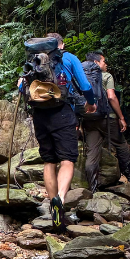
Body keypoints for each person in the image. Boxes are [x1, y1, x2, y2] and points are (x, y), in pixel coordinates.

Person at [26, 33, 96, 230]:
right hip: (62, 113)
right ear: (61, 44)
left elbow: (23, 86)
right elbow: (85, 85)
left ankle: (53, 208)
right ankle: (60, 199)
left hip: (39, 115)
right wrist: (91, 104)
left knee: (49, 160)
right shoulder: (68, 58)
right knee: (67, 160)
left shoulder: (33, 59)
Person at [83, 52, 130, 188]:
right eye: (103, 61)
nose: (105, 64)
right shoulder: (106, 76)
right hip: (108, 118)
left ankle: (93, 188)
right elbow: (111, 97)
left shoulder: (81, 77)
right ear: (96, 63)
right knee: (121, 145)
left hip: (88, 119)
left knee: (92, 153)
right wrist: (121, 117)